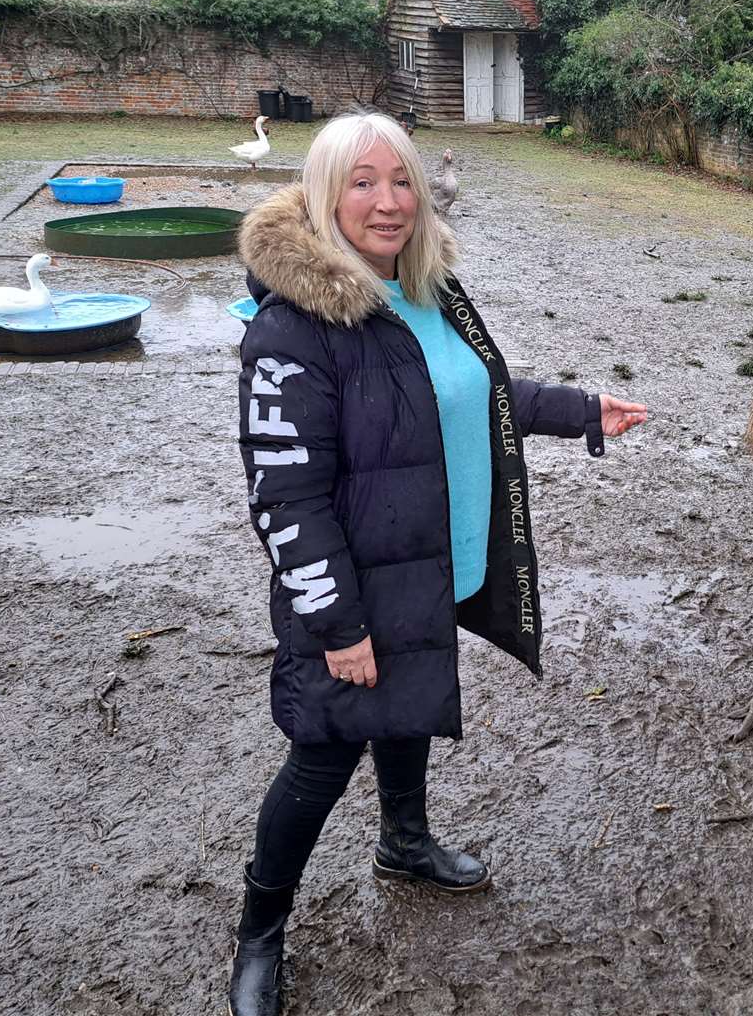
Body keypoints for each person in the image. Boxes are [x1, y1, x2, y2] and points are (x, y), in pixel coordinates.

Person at [229, 111, 647, 1016]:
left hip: (427, 566)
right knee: (321, 760)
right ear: (323, 193)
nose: (389, 202)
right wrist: (336, 625)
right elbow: (285, 499)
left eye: (403, 180)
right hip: (351, 590)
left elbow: (476, 395)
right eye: (364, 182)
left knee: (409, 702)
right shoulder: (292, 331)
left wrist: (580, 411)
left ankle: (405, 843)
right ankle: (260, 932)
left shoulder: (428, 290)